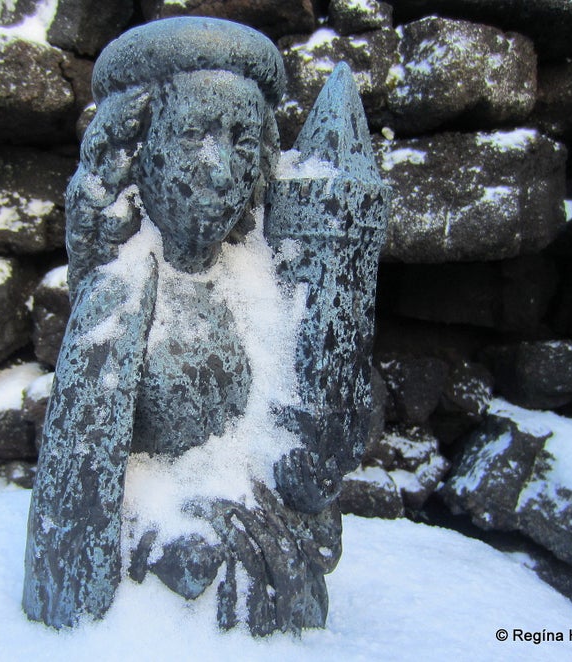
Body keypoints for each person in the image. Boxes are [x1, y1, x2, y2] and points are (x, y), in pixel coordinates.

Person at [24, 16, 389, 636]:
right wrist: (172, 531)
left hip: (269, 584)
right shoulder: (119, 302)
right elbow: (84, 510)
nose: (220, 169)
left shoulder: (260, 285)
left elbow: (295, 448)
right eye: (195, 133)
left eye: (244, 141)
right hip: (167, 616)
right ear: (140, 150)